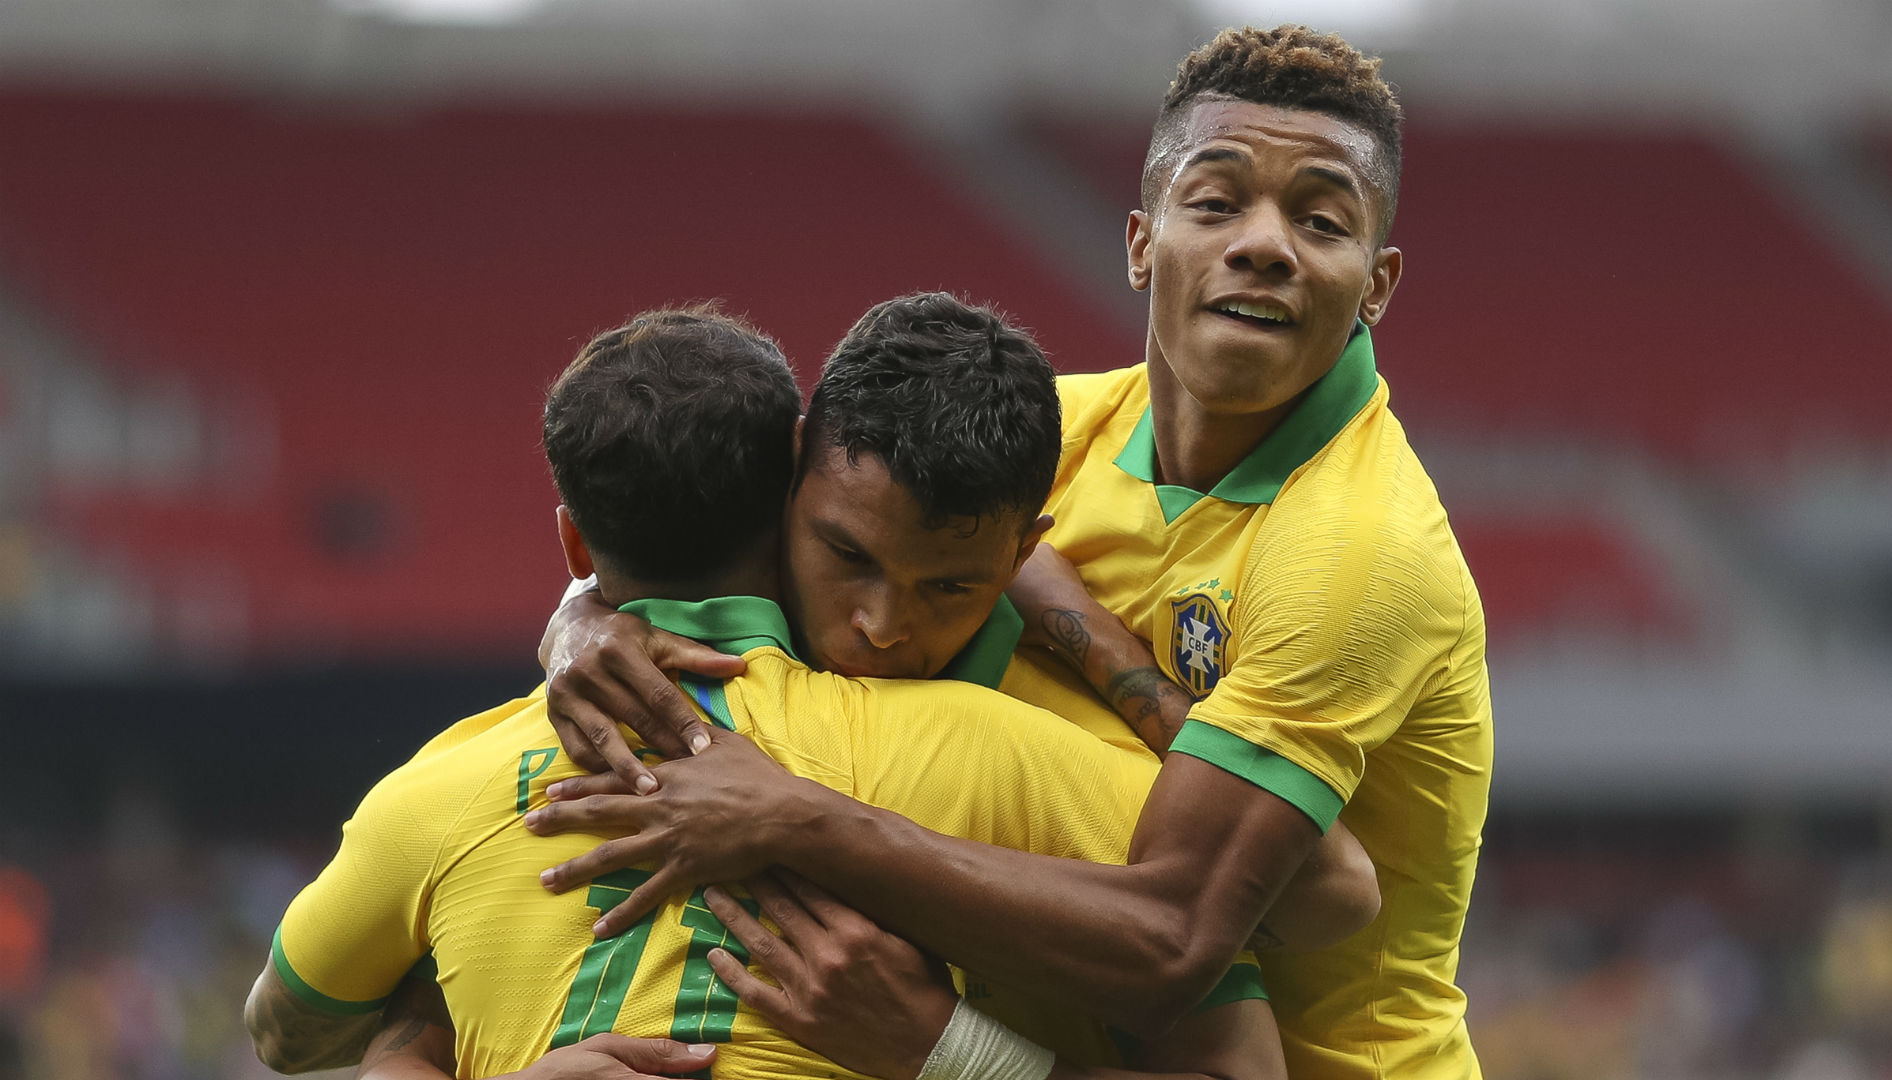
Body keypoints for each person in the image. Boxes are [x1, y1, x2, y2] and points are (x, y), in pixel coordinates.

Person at [533, 25, 1493, 1079]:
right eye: (1217, 202)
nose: (1265, 244)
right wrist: (586, 614)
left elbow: (1172, 942)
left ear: (1377, 283)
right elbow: (770, 517)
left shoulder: (1360, 552)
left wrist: (807, 831)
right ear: (1141, 243)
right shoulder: (1046, 442)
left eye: (1321, 220)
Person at [246, 303, 1372, 1079]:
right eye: (848, 557)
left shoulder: (444, 788)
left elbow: (1320, 890)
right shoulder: (992, 750)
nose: (882, 627)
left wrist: (948, 1048)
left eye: (950, 586)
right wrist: (578, 618)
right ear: (795, 475)